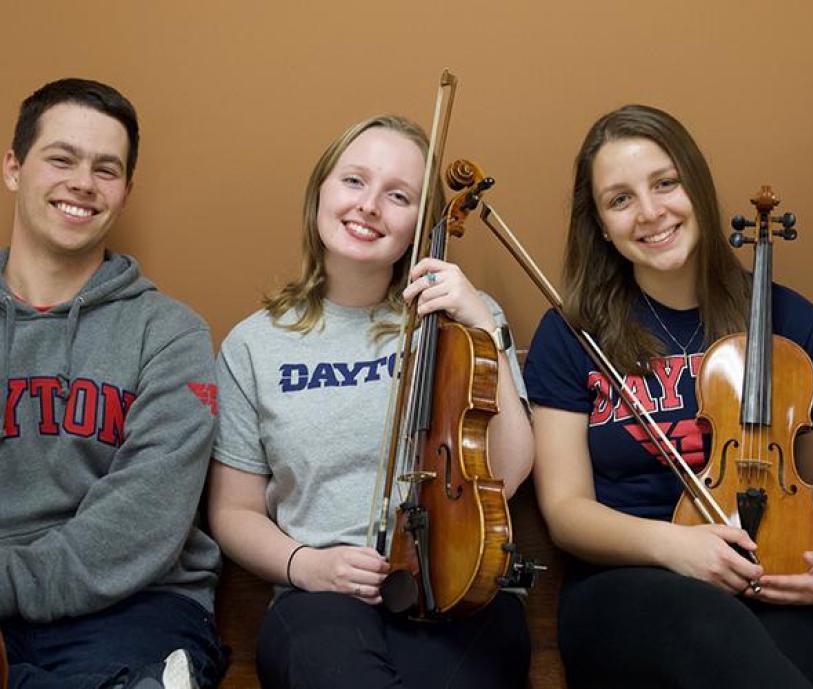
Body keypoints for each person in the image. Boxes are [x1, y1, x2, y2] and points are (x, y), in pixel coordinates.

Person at [524, 104, 813, 689]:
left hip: (768, 577)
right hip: (624, 584)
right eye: (620, 199)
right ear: (601, 224)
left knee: (788, 656)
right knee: (706, 627)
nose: (650, 213)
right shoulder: (571, 333)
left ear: (696, 187)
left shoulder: (788, 320)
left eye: (665, 183)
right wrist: (675, 547)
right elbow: (566, 510)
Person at [207, 114, 533, 689]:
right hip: (318, 603)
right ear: (320, 193)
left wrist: (481, 324)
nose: (370, 206)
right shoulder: (253, 345)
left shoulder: (460, 320)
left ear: (420, 224)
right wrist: (306, 565)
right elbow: (233, 512)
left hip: (458, 591)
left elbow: (506, 473)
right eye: (353, 181)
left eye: (399, 195)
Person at [0, 79, 224, 689]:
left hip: (133, 606)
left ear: (124, 193)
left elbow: (143, 519)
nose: (83, 183)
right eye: (62, 159)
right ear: (14, 167)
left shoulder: (171, 333)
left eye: (106, 169)